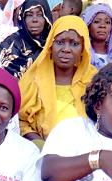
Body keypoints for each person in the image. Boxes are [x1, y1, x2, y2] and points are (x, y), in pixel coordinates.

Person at [19, 15, 97, 147]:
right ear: (50, 45)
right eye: (60, 42)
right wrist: (40, 145)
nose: (66, 49)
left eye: (75, 44)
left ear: (83, 48)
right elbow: (20, 120)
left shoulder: (94, 81)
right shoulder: (33, 79)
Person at [0, 0, 52, 79]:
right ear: (23, 18)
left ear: (47, 18)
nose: (35, 20)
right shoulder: (11, 43)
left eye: (40, 15)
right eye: (30, 15)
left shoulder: (54, 44)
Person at [82, 3, 112, 70]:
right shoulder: (82, 54)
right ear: (88, 26)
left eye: (107, 22)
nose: (102, 26)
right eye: (97, 22)